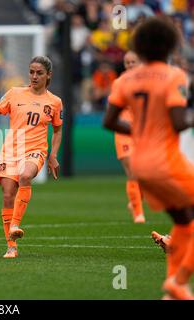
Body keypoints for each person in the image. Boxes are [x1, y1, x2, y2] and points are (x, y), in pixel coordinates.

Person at [104, 17, 194, 300]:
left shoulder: (125, 80)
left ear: (139, 46)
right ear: (169, 44)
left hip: (141, 164)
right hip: (165, 161)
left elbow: (109, 121)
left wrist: (139, 131)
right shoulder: (175, 76)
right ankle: (177, 280)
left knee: (183, 222)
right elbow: (179, 123)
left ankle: (173, 287)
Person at [0, 56, 63, 259]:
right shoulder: (14, 93)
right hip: (11, 150)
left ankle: (15, 224)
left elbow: (57, 130)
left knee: (25, 176)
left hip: (36, 149)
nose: (34, 76)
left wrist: (53, 155)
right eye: (31, 71)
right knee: (7, 196)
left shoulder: (55, 102)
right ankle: (11, 246)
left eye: (39, 73)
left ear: (48, 75)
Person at [112, 51, 146, 223]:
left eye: (134, 62)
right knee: (132, 171)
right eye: (127, 62)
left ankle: (136, 199)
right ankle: (138, 214)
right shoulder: (119, 83)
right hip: (124, 131)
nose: (130, 65)